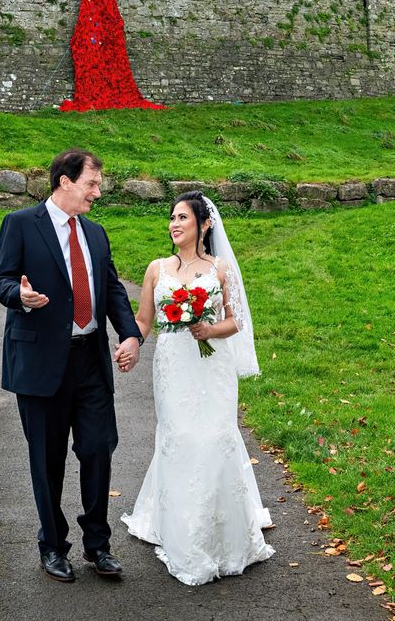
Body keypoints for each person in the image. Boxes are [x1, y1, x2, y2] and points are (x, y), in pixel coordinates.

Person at [0, 148, 143, 583]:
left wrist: (129, 333)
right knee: (47, 459)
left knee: (98, 449)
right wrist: (17, 296)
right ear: (65, 181)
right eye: (92, 183)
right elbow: (2, 279)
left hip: (90, 360)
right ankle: (53, 546)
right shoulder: (21, 225)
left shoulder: (96, 233)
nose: (98, 191)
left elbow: (112, 288)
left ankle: (98, 544)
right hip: (39, 364)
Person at [119, 190, 274, 585]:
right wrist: (130, 342)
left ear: (204, 225)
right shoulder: (157, 269)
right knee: (181, 438)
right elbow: (143, 319)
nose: (174, 224)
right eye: (171, 218)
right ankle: (182, 531)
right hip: (173, 365)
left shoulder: (220, 269)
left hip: (212, 367)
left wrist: (207, 329)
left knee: (214, 437)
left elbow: (235, 321)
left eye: (182, 218)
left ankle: (225, 533)